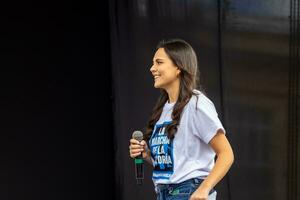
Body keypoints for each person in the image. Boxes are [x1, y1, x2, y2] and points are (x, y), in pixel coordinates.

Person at [129, 38, 234, 200]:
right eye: (153, 63)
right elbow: (175, 163)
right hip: (164, 192)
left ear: (178, 67)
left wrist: (204, 189)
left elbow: (226, 154)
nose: (152, 68)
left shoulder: (196, 103)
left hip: (188, 191)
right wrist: (147, 154)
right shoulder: (163, 108)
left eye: (159, 62)